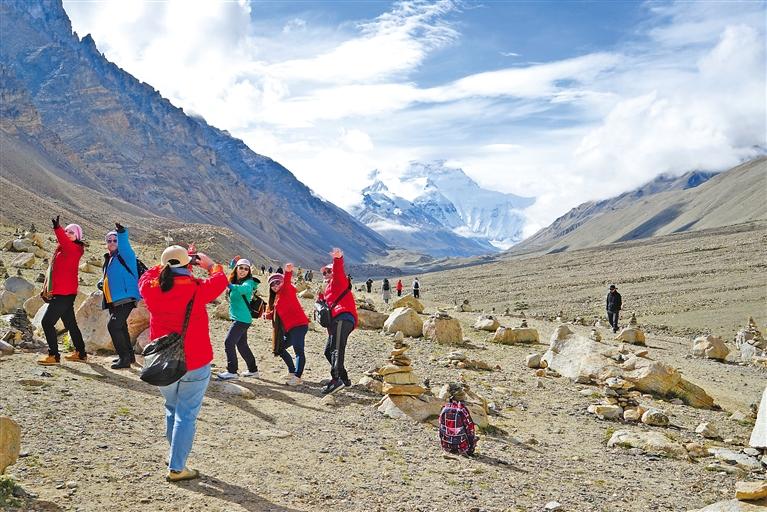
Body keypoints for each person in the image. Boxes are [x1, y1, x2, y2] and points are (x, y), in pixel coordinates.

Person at [139, 245, 227, 482]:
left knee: (171, 407)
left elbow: (146, 275)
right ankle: (177, 467)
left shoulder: (150, 287)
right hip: (195, 360)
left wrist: (168, 260)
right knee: (186, 415)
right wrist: (209, 265)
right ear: (188, 265)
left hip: (163, 361)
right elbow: (220, 279)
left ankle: (174, 455)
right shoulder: (196, 288)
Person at [38, 216, 87, 366]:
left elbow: (64, 241)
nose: (68, 234)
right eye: (66, 231)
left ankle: (54, 355)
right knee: (70, 323)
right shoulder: (63, 249)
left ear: (78, 235)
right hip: (64, 292)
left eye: (72, 232)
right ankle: (81, 353)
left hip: (63, 294)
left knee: (47, 322)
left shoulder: (74, 249)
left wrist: (57, 229)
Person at [98, 222, 141, 369]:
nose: (112, 242)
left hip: (126, 297)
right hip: (114, 299)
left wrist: (121, 232)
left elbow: (125, 245)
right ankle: (129, 356)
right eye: (109, 240)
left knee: (113, 326)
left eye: (115, 240)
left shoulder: (126, 255)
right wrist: (101, 283)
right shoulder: (110, 258)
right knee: (121, 327)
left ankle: (124, 359)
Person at [317, 248, 358, 394]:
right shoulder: (328, 288)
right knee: (328, 351)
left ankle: (335, 380)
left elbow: (339, 270)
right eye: (324, 273)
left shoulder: (339, 280)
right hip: (336, 321)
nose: (327, 274)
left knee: (336, 349)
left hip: (343, 317)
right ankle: (344, 379)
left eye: (329, 271)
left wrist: (337, 258)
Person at [265, 263, 309, 386]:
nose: (275, 286)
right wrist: (268, 315)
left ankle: (298, 377)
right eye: (272, 284)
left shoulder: (287, 290)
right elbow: (278, 312)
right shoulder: (277, 297)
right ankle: (292, 371)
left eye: (277, 282)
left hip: (299, 325)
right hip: (289, 328)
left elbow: (287, 282)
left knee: (298, 351)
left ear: (282, 282)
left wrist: (288, 272)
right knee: (280, 348)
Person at [217, 258, 259, 380]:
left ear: (249, 271)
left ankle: (232, 371)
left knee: (228, 342)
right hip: (239, 318)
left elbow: (245, 289)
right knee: (242, 345)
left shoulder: (249, 282)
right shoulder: (236, 281)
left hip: (242, 319)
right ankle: (253, 370)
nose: (243, 271)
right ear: (236, 269)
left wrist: (229, 285)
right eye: (241, 268)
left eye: (246, 269)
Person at [438, 383, 477, 456]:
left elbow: (440, 428)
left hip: (447, 445)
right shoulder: (462, 410)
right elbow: (470, 429)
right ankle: (466, 449)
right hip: (462, 446)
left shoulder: (444, 408)